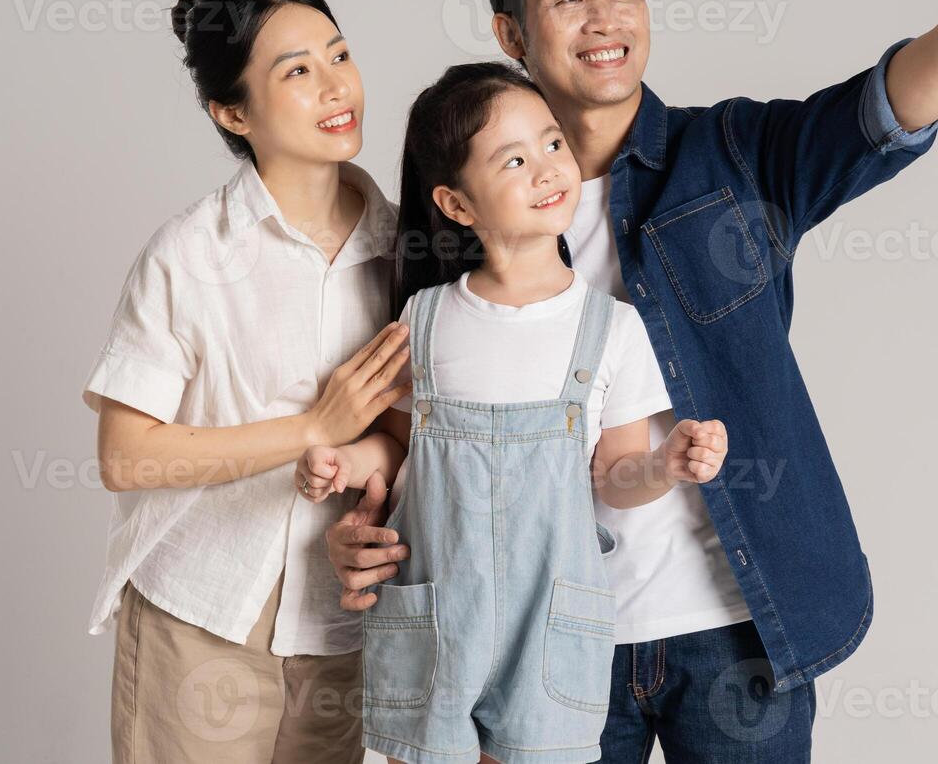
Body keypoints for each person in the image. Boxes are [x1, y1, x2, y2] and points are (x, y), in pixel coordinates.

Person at [328, 0, 938, 762]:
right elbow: (419, 440)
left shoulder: (730, 158)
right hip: (539, 644)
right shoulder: (448, 237)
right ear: (510, 34)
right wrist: (365, 533)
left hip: (731, 633)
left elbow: (873, 116)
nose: (605, 19)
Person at [295, 62, 730, 764]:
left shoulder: (611, 328)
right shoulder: (427, 319)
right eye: (514, 160)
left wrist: (664, 464)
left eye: (553, 144)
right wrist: (341, 461)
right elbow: (401, 446)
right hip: (438, 618)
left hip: (549, 630)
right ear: (457, 204)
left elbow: (613, 474)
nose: (548, 169)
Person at [81, 0, 411, 763]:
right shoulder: (189, 254)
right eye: (297, 72)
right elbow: (127, 458)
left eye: (339, 55)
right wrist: (310, 429)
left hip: (342, 621)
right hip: (200, 617)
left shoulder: (409, 250)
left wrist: (368, 453)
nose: (337, 87)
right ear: (233, 112)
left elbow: (412, 432)